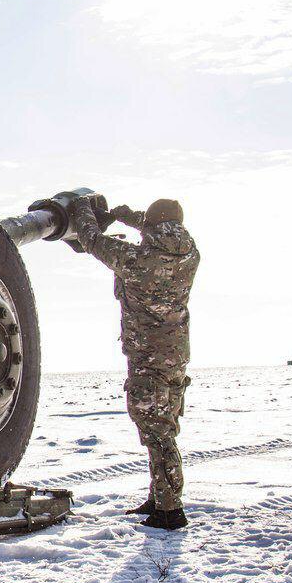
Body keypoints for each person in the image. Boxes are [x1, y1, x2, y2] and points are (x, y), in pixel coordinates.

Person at [72, 197, 200, 530]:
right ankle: (159, 496)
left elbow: (92, 240)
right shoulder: (189, 252)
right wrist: (128, 217)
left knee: (157, 434)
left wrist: (82, 210)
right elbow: (158, 229)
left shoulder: (137, 259)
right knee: (162, 428)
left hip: (148, 357)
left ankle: (170, 510)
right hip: (174, 354)